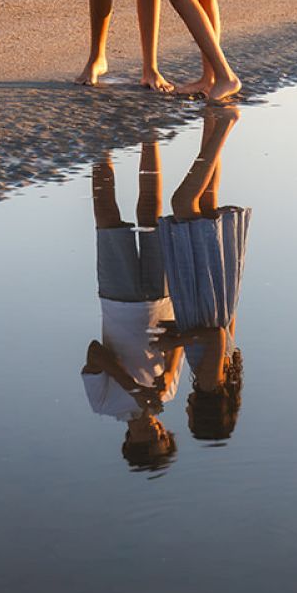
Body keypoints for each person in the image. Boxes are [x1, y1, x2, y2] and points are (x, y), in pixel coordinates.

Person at [80, 140, 182, 472]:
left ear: (129, 441)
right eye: (163, 438)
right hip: (161, 299)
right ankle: (149, 134)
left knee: (107, 215)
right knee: (150, 210)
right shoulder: (168, 395)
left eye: (149, 440)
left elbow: (94, 353)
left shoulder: (105, 405)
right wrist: (168, 372)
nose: (156, 432)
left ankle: (100, 145)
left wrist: (133, 387)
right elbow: (177, 346)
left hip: (117, 300)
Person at [155, 105, 248, 442]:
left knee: (207, 200)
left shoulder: (228, 377)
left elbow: (224, 329)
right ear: (204, 413)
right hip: (203, 290)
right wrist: (176, 339)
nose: (186, 412)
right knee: (183, 203)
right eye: (192, 418)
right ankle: (225, 124)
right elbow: (216, 337)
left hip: (217, 292)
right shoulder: (210, 382)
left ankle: (212, 120)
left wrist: (178, 329)